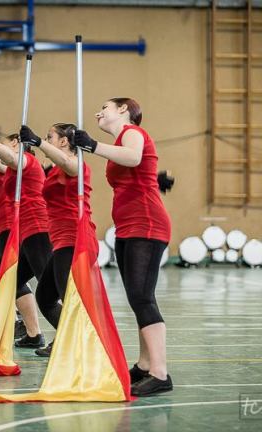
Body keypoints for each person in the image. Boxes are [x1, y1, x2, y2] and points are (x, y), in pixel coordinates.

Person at [73, 98, 173, 397]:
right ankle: (144, 366)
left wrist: (92, 145)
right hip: (128, 226)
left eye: (104, 106)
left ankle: (160, 372)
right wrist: (155, 178)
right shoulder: (119, 142)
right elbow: (137, 170)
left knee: (142, 296)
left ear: (123, 110)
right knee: (137, 297)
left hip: (147, 223)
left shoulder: (132, 133)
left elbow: (132, 157)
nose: (97, 111)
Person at [19, 123, 96, 357]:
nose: (46, 139)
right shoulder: (53, 169)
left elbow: (67, 164)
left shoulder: (77, 165)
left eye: (49, 136)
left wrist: (38, 143)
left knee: (68, 297)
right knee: (45, 296)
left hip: (75, 239)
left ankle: (81, 345)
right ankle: (67, 338)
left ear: (64, 142)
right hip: (60, 241)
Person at [0, 126, 52, 349]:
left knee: (47, 288)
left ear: (19, 145)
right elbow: (2, 161)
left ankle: (57, 334)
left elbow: (8, 158)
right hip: (24, 228)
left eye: (9, 143)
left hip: (35, 227)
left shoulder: (27, 161)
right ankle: (32, 333)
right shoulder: (11, 169)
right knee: (7, 278)